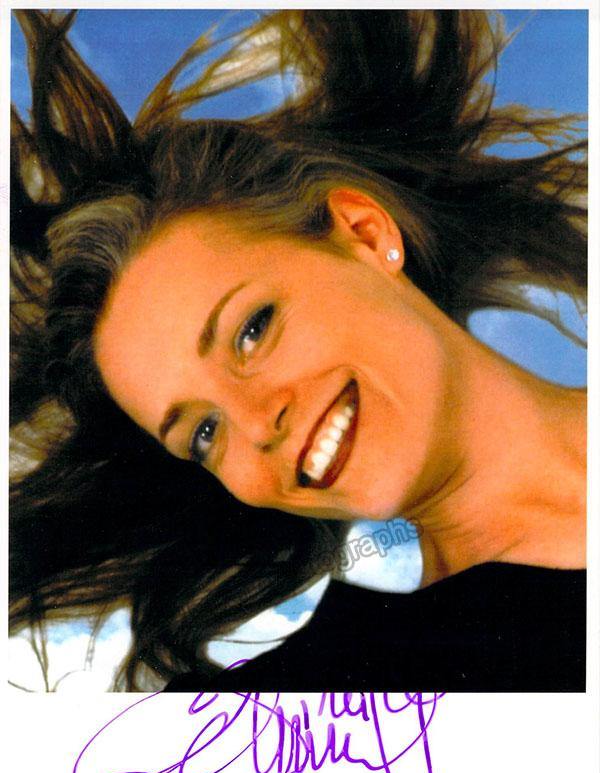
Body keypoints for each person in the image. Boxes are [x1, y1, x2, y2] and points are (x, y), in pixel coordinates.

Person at [10, 9, 587, 692]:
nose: (258, 424)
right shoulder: (326, 698)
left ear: (365, 233)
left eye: (251, 330)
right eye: (203, 433)